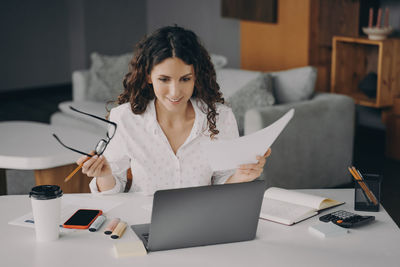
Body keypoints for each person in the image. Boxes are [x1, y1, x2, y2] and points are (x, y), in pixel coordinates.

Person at [77, 25, 271, 195]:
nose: (175, 92)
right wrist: (104, 176)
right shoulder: (125, 118)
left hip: (203, 222)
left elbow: (222, 181)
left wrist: (240, 176)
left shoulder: (221, 117)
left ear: (197, 77)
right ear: (148, 76)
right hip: (145, 221)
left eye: (185, 79)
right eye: (164, 79)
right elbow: (114, 189)